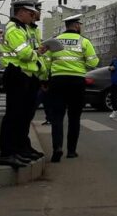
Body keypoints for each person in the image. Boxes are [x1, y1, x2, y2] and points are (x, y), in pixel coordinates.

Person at [42, 13, 99, 162]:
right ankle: (71, 151)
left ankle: (57, 148)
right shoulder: (83, 41)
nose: (80, 27)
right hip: (77, 82)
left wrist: (45, 80)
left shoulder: (54, 41)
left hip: (58, 81)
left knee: (57, 117)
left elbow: (46, 62)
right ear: (76, 25)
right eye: (80, 24)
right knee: (74, 117)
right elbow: (93, 63)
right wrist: (82, 63)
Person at [0, 0, 45, 168]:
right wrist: (39, 51)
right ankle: (8, 153)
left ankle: (20, 149)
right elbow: (24, 54)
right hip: (16, 73)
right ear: (21, 12)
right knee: (13, 115)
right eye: (31, 13)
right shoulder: (14, 29)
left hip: (26, 74)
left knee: (23, 116)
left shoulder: (24, 28)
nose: (33, 16)